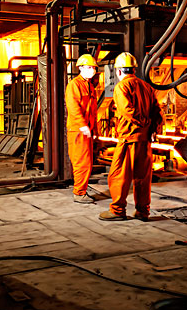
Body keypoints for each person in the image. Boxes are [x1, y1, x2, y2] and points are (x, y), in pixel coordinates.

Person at [99, 52, 163, 221]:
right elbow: (158, 111)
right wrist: (153, 128)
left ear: (119, 71)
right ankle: (143, 211)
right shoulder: (147, 87)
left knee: (118, 175)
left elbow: (128, 111)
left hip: (129, 139)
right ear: (134, 69)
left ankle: (117, 210)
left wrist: (144, 124)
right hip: (145, 140)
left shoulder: (121, 87)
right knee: (143, 177)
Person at [66, 54, 98, 203]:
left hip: (87, 130)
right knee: (81, 163)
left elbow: (93, 111)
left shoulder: (90, 86)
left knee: (87, 163)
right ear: (80, 68)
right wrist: (82, 125)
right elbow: (73, 108)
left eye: (93, 68)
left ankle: (81, 190)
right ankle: (79, 193)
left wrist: (94, 129)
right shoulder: (74, 85)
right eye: (89, 67)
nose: (92, 70)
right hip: (78, 131)